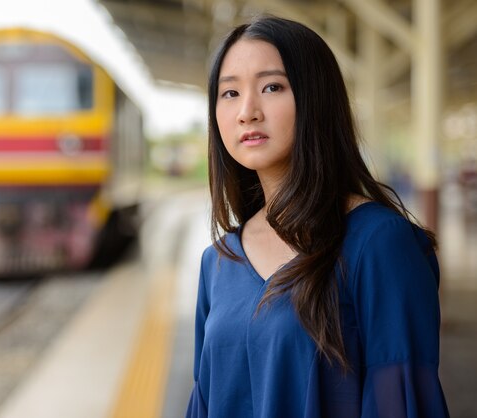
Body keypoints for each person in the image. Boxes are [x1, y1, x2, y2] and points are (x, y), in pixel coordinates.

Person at [186, 16, 449, 418]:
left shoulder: (378, 242)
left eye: (272, 86)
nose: (246, 111)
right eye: (230, 92)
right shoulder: (219, 261)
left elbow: (401, 401)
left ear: (316, 99)